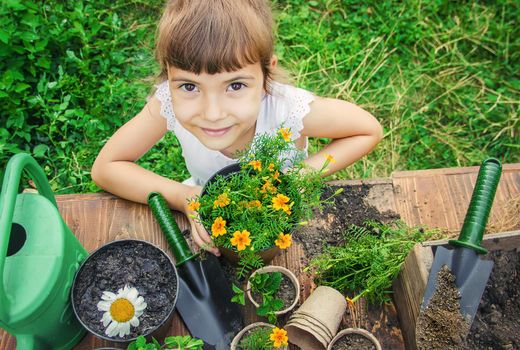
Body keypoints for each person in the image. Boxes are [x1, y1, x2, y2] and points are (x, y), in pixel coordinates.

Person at [91, 0, 383, 256]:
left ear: (266, 75)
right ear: (168, 76)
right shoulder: (166, 103)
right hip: (209, 200)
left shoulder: (285, 110)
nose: (213, 113)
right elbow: (106, 167)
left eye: (236, 85)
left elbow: (367, 130)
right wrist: (185, 198)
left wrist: (296, 178)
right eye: (190, 86)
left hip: (279, 213)